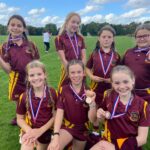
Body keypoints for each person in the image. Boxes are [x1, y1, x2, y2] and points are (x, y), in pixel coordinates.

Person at [88, 65, 150, 150]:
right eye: (117, 83)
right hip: (107, 141)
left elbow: (142, 139)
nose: (122, 86)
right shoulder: (108, 95)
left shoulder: (143, 105)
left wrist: (115, 147)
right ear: (112, 84)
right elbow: (96, 120)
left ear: (133, 80)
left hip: (129, 146)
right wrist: (98, 112)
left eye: (125, 82)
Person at [47, 59, 94, 150]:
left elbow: (92, 119)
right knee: (53, 148)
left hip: (83, 129)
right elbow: (60, 112)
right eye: (72, 72)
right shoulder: (63, 90)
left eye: (79, 72)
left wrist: (92, 104)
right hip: (68, 126)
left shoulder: (89, 91)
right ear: (68, 75)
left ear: (84, 73)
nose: (76, 75)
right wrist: (56, 134)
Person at [16, 60, 57, 150]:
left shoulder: (53, 93)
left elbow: (55, 116)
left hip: (47, 130)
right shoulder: (24, 96)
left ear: (45, 75)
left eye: (39, 74)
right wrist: (30, 131)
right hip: (29, 129)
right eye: (32, 75)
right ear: (28, 78)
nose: (36, 78)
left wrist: (40, 131)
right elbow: (19, 119)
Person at [86, 25, 120, 108]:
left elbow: (120, 72)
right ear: (99, 38)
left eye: (109, 37)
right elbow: (87, 68)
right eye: (103, 37)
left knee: (109, 105)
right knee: (95, 105)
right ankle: (95, 120)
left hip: (111, 87)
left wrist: (113, 79)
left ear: (113, 39)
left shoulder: (116, 56)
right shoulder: (94, 54)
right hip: (96, 86)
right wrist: (91, 76)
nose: (106, 39)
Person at [55, 12, 86, 90]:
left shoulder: (80, 38)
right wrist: (70, 72)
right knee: (63, 89)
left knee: (81, 90)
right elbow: (63, 59)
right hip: (67, 68)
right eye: (73, 22)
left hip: (80, 69)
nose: (75, 25)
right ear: (67, 22)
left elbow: (84, 57)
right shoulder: (59, 38)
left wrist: (81, 70)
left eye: (78, 23)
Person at [122, 23, 150, 103]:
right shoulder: (128, 52)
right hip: (129, 93)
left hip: (147, 94)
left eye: (145, 36)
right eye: (139, 36)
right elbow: (120, 69)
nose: (142, 39)